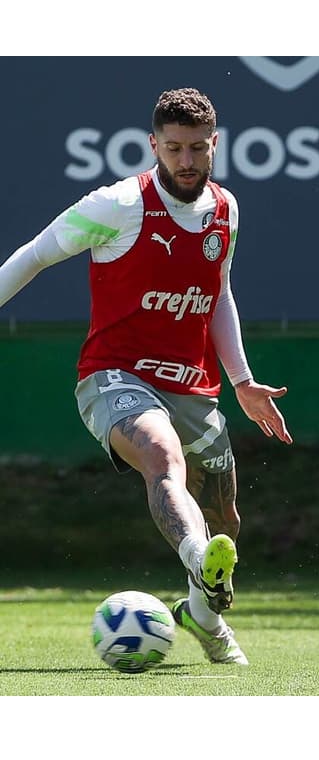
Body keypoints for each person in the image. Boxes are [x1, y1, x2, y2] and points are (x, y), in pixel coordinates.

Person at [0, 87, 293, 665]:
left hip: (194, 385)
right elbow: (34, 254)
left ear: (215, 146)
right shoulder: (118, 205)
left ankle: (204, 617)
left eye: (197, 149)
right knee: (163, 458)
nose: (186, 161)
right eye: (174, 148)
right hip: (115, 378)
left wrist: (241, 381)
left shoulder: (225, 209)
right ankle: (196, 563)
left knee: (226, 519)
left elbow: (219, 294)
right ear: (153, 144)